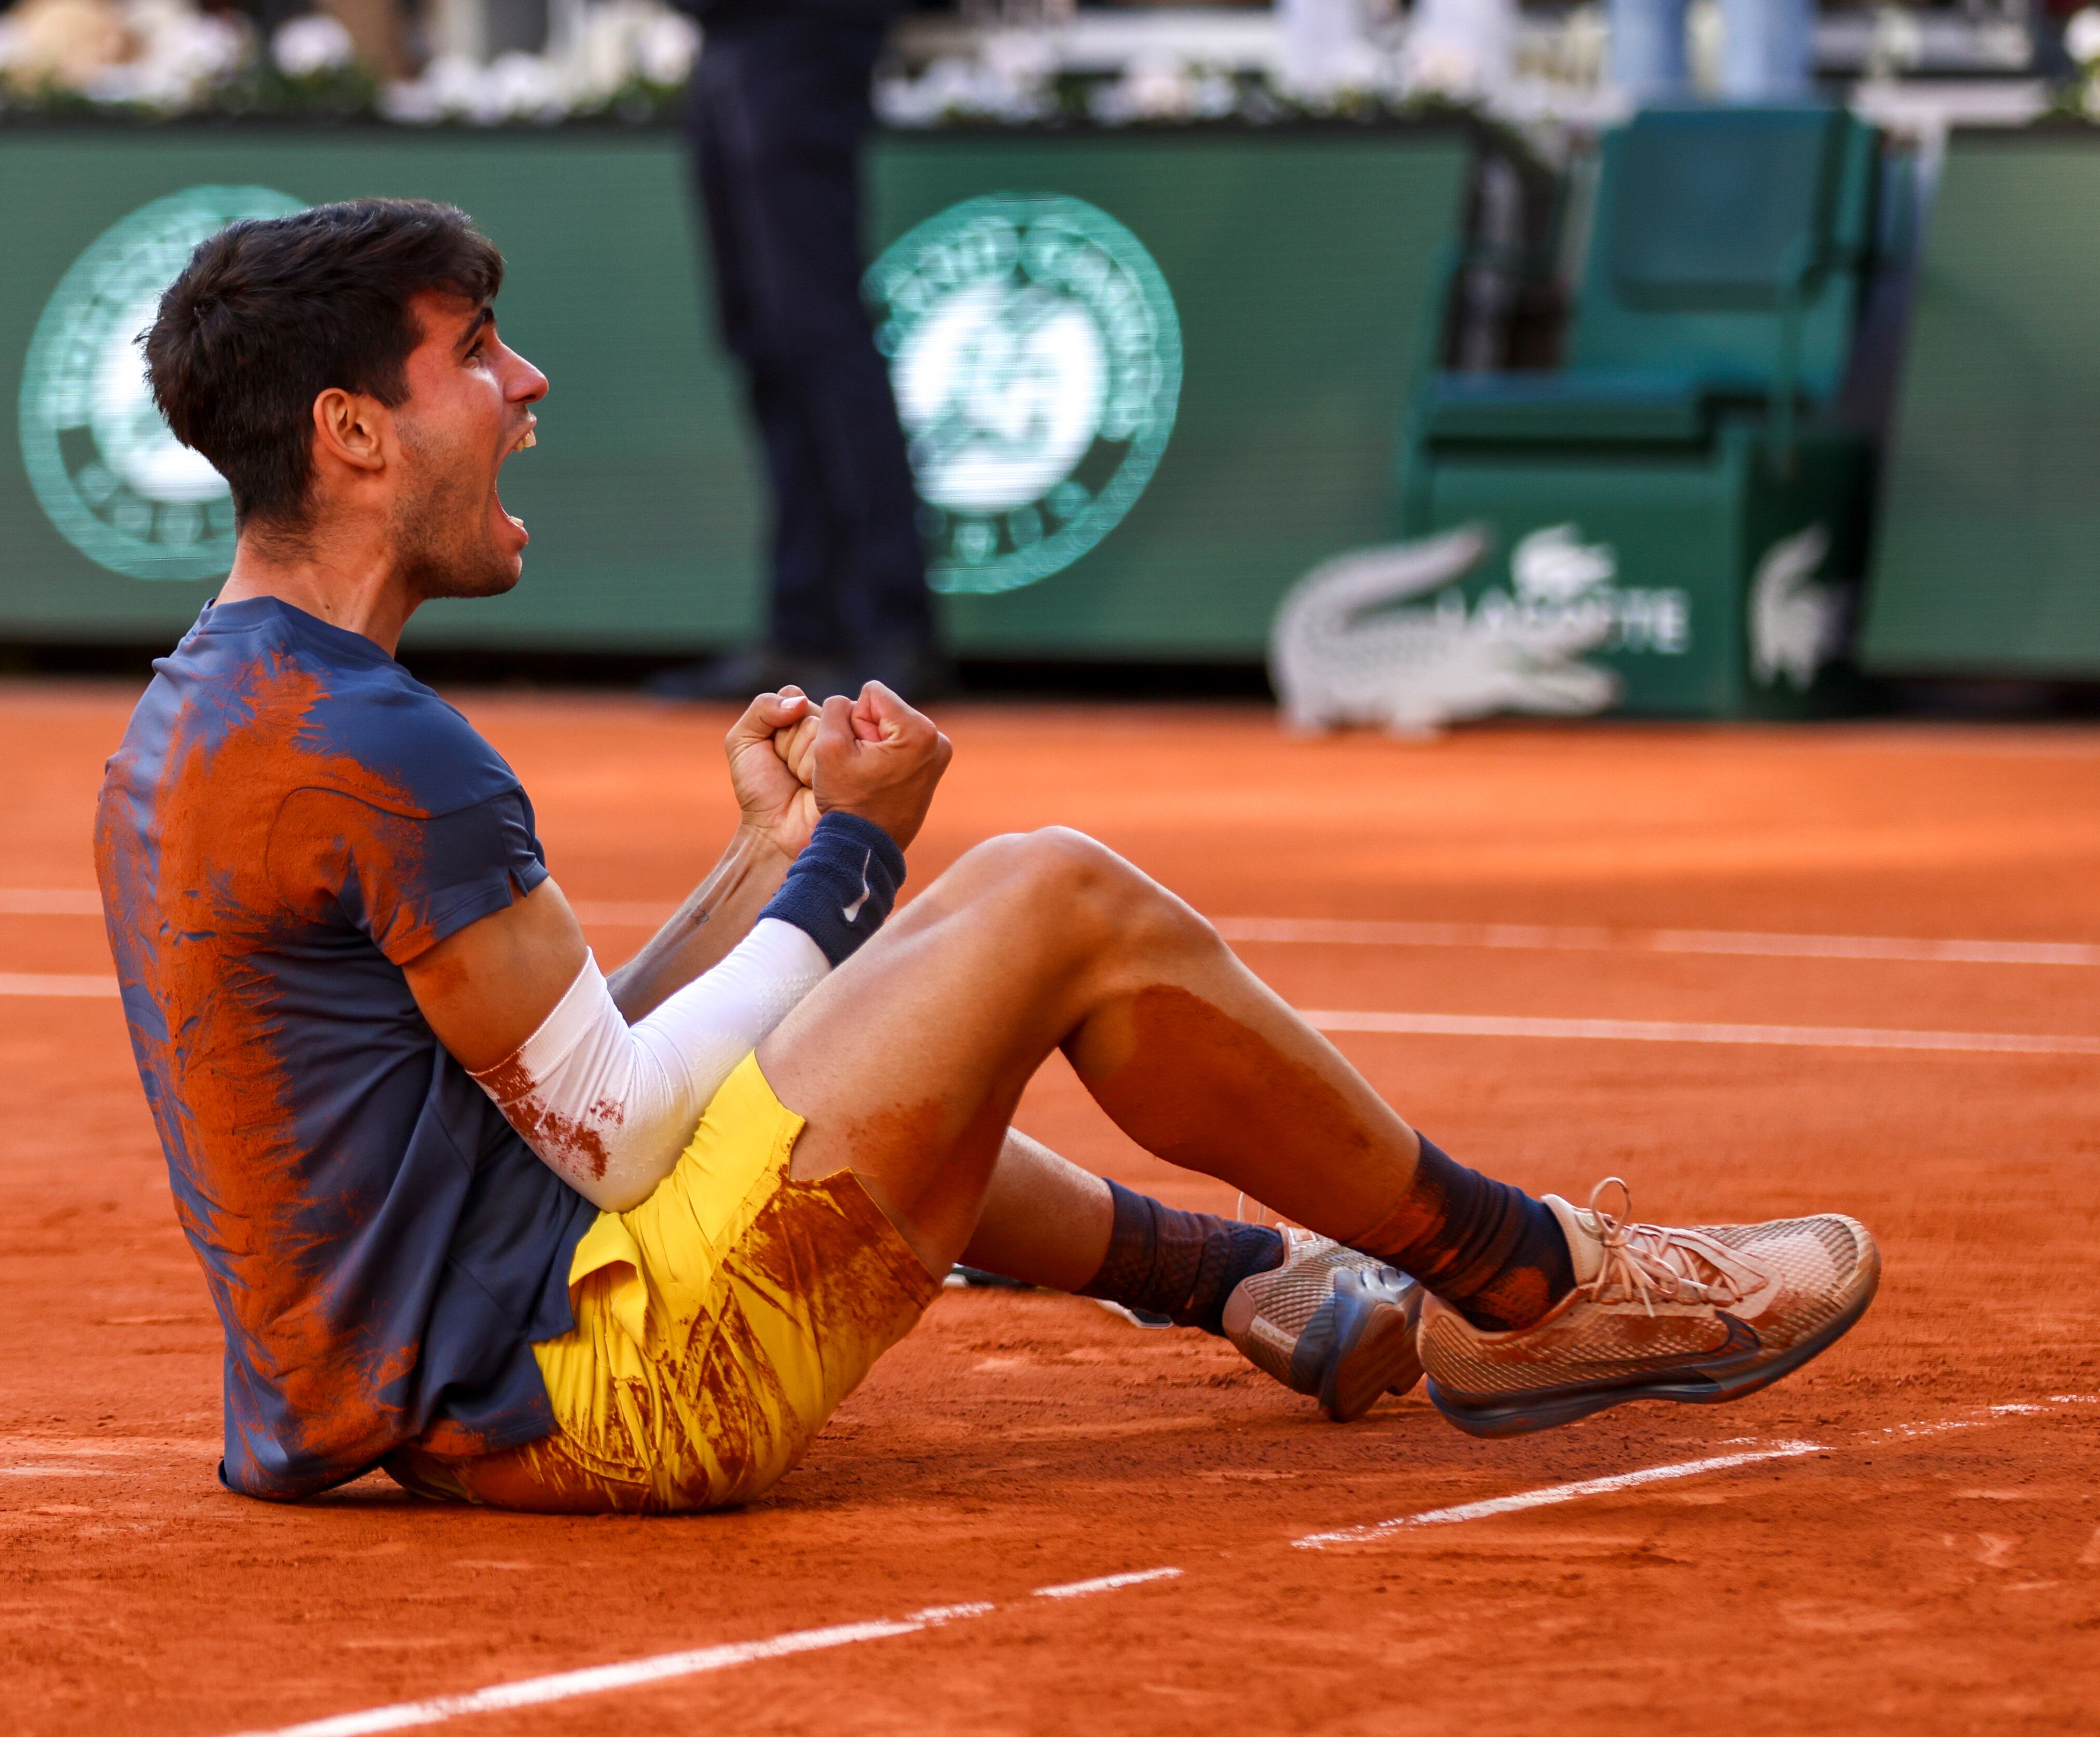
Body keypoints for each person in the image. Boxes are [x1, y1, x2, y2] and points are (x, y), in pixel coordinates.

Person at [97, 199, 1879, 1513]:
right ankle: (1532, 1287)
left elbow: (540, 1089)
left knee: (896, 963)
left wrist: (768, 858)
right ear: (350, 432)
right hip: (594, 1397)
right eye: (474, 352)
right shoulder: (378, 744)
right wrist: (846, 868)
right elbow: (625, 1130)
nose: (526, 379)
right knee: (1047, 893)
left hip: (468, 1380)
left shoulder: (217, 710)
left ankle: (1256, 1280)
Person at [647, 0, 951, 705]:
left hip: (802, 30)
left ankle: (894, 627)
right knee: (763, 337)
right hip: (728, 37)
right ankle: (805, 629)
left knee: (820, 332)